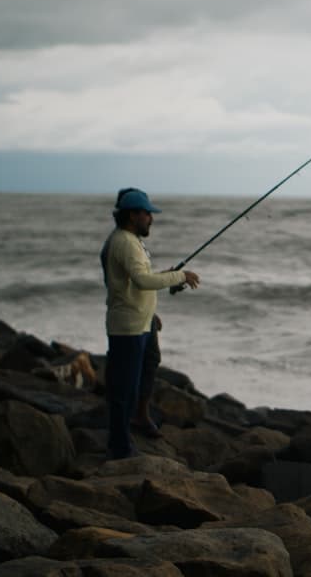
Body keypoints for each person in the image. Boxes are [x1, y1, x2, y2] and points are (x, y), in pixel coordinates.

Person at [100, 188, 199, 459]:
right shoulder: (125, 243)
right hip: (128, 327)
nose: (151, 219)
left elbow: (135, 282)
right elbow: (143, 281)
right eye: (147, 214)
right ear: (133, 215)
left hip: (140, 322)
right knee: (124, 388)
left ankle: (129, 433)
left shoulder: (129, 240)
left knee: (134, 380)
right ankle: (120, 449)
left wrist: (151, 310)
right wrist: (179, 276)